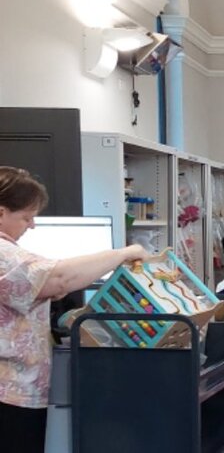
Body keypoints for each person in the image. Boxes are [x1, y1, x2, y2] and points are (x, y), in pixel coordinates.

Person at [0, 166, 149, 452]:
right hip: (9, 393)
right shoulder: (4, 253)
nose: (31, 226)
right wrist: (125, 253)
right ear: (2, 212)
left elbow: (51, 284)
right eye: (26, 217)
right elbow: (58, 278)